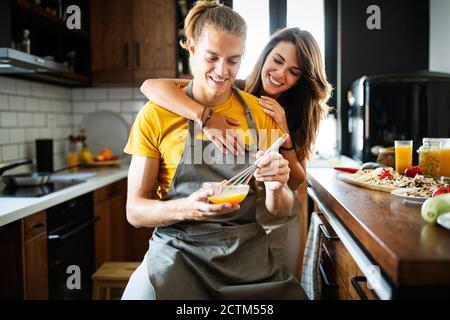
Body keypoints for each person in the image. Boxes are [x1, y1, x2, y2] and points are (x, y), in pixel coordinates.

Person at [122, 1, 306, 299]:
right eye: (212, 57)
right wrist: (188, 208)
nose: (222, 71)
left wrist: (276, 187)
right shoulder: (155, 115)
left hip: (246, 256)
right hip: (179, 251)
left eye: (234, 61)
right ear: (192, 48)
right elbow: (135, 210)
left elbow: (279, 211)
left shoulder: (260, 115)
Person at [139, 27, 332, 272]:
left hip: (277, 215)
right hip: (234, 225)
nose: (280, 74)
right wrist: (205, 117)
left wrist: (283, 130)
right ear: (265, 55)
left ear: (301, 78)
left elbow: (295, 180)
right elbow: (151, 86)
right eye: (277, 61)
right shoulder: (229, 87)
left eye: (293, 72)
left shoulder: (301, 111)